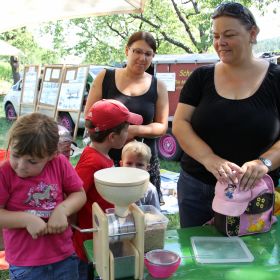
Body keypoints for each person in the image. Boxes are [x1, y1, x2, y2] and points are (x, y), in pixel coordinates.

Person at [172, 2, 280, 228]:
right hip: (197, 187)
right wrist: (209, 158)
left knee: (252, 256)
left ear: (253, 33)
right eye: (216, 35)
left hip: (254, 191)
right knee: (197, 256)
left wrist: (264, 162)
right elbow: (180, 124)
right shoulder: (201, 77)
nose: (220, 43)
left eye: (229, 34)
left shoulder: (277, 79)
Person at [84, 31, 169, 205]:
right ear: (127, 51)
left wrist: (134, 130)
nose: (142, 58)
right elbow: (89, 117)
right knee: (108, 212)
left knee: (143, 215)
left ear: (153, 56)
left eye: (148, 54)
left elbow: (162, 126)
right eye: (137, 51)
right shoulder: (105, 77)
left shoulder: (158, 85)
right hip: (106, 158)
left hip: (141, 162)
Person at [0, 112, 86, 280]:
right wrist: (26, 219)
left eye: (32, 161)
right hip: (26, 263)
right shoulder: (4, 173)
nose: (21, 166)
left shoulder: (59, 163)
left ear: (52, 154)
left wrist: (62, 210)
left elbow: (79, 194)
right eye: (16, 155)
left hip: (64, 257)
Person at [72, 99, 143, 279]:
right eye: (126, 129)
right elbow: (73, 193)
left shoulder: (99, 155)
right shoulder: (93, 161)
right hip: (89, 241)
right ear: (112, 137)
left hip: (103, 235)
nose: (129, 132)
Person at [120, 141, 161, 210]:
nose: (134, 168)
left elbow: (156, 214)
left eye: (139, 165)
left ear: (147, 168)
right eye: (129, 163)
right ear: (121, 164)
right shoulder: (116, 185)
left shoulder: (150, 190)